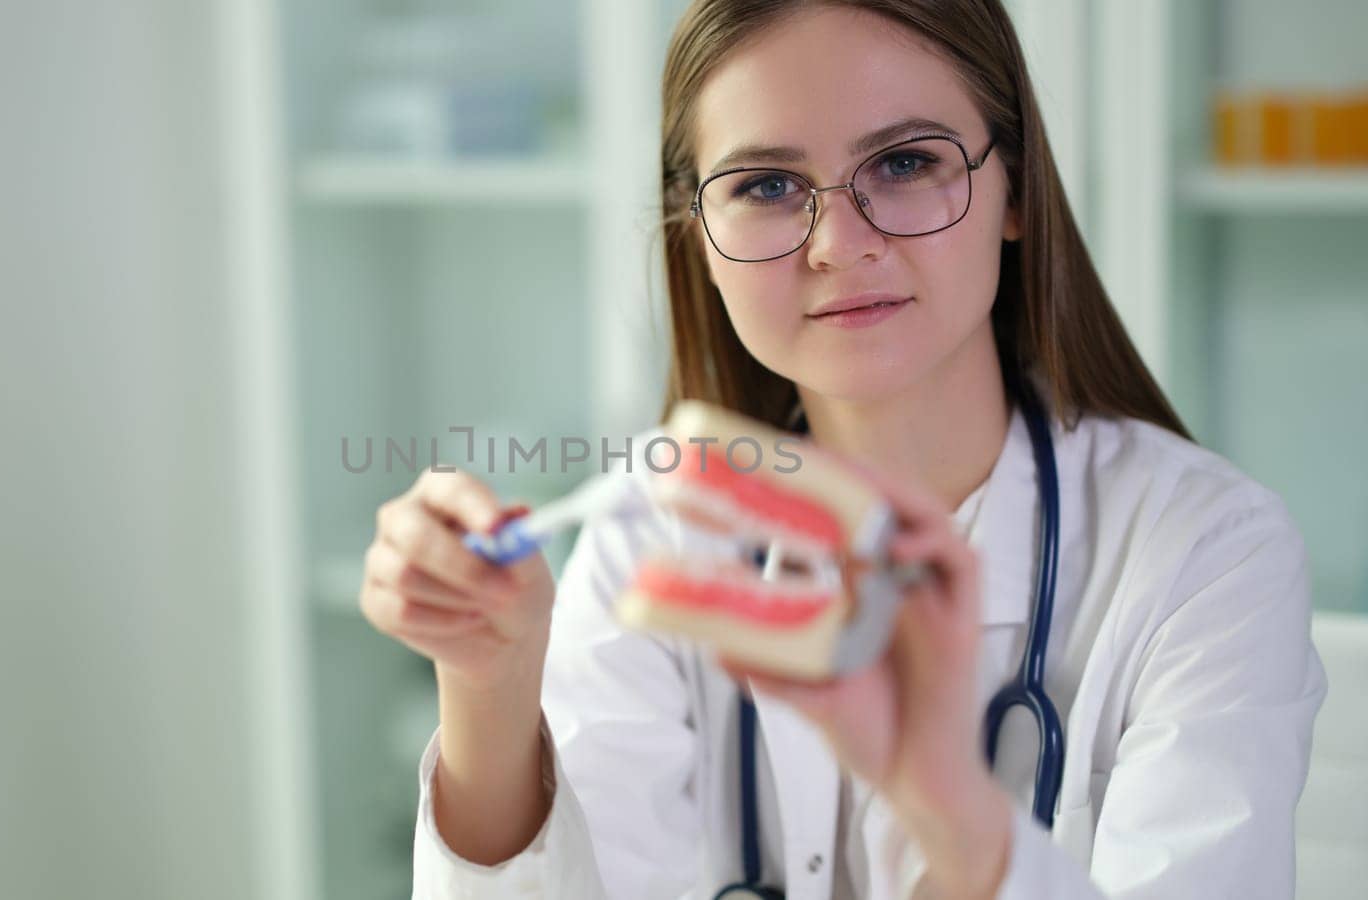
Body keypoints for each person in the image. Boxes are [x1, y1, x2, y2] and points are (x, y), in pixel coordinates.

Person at [358, 1, 1328, 896]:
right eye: (768, 185)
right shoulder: (645, 531)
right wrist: (488, 691)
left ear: (1016, 190)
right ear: (697, 232)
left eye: (905, 163)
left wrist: (943, 801)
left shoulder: (1204, 552)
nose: (836, 243)